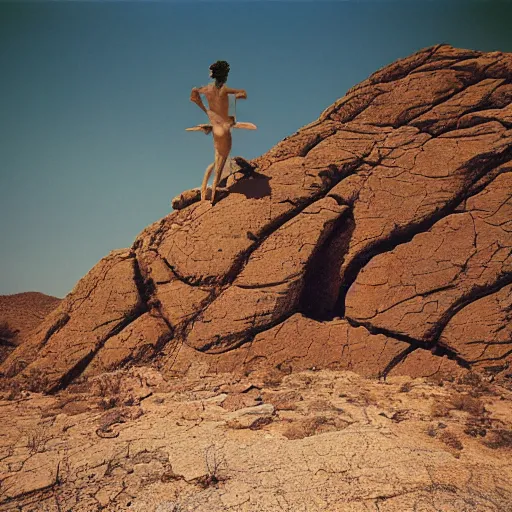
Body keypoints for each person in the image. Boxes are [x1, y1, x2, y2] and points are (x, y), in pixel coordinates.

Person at [189, 61, 255, 204]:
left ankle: (203, 191)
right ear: (224, 76)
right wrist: (234, 99)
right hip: (224, 128)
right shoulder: (225, 90)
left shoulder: (206, 89)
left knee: (216, 158)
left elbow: (193, 96)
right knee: (221, 163)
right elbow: (243, 93)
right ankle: (213, 194)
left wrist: (207, 112)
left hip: (215, 127)